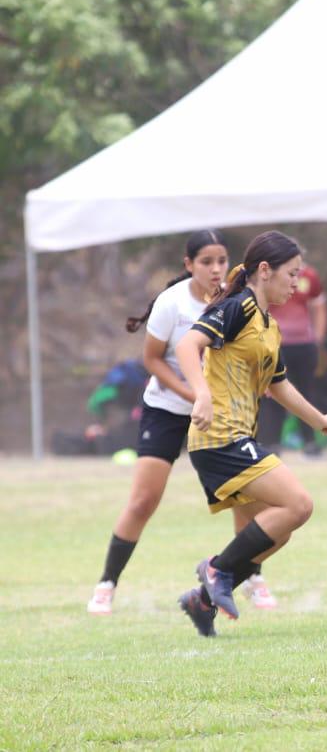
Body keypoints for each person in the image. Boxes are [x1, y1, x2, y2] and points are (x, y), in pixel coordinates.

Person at [87, 231, 276, 615]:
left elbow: (249, 352)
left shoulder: (235, 301)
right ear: (188, 264)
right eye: (206, 262)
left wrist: (262, 379)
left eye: (221, 260)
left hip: (221, 414)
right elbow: (152, 360)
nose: (216, 269)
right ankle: (107, 583)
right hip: (168, 410)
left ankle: (251, 576)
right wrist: (194, 395)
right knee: (143, 500)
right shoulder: (172, 303)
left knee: (243, 496)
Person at [172, 231, 327, 637]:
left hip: (236, 438)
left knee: (276, 534)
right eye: (291, 273)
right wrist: (202, 395)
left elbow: (278, 385)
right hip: (220, 436)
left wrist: (318, 420)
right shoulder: (238, 306)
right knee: (298, 505)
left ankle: (202, 600)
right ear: (265, 270)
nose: (296, 283)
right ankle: (216, 570)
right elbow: (187, 346)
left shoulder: (268, 325)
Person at [258, 257, 327, 455]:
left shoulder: (309, 275)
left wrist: (318, 339)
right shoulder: (267, 275)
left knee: (306, 392)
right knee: (273, 393)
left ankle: (310, 442)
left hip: (304, 344)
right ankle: (271, 443)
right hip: (275, 344)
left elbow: (318, 307)